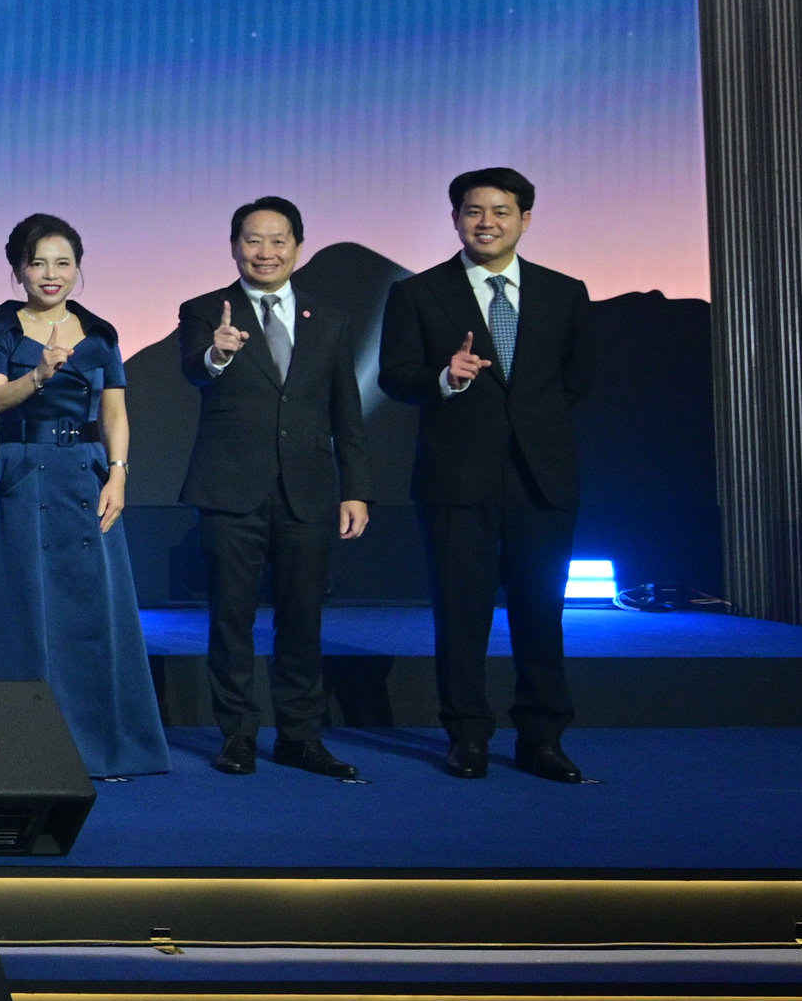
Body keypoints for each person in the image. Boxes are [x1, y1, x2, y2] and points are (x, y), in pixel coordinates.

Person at [378, 168, 597, 782]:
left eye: (501, 211)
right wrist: (445, 379)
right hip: (455, 477)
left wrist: (530, 424)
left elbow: (577, 378)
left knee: (541, 611)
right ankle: (467, 736)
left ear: (525, 219)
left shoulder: (564, 291)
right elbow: (395, 376)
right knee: (460, 614)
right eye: (473, 211)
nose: (486, 222)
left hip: (541, 477)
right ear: (455, 219)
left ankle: (542, 739)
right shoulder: (418, 293)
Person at [0, 216, 168, 779]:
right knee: (22, 605)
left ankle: (103, 744)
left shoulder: (99, 333)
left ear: (78, 268)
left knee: (90, 607)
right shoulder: (0, 327)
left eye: (63, 263)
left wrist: (118, 474)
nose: (51, 274)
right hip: (23, 472)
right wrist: (38, 374)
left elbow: (115, 411)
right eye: (37, 263)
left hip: (86, 473)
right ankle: (19, 749)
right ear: (18, 270)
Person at [178, 196, 370, 781]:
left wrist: (355, 488)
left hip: (307, 489)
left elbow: (346, 407)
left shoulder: (327, 318)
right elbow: (192, 369)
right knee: (231, 619)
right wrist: (216, 353)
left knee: (303, 620)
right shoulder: (205, 309)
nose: (266, 252)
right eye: (253, 240)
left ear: (298, 247)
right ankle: (237, 734)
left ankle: (300, 737)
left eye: (278, 240)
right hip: (230, 487)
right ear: (235, 246)